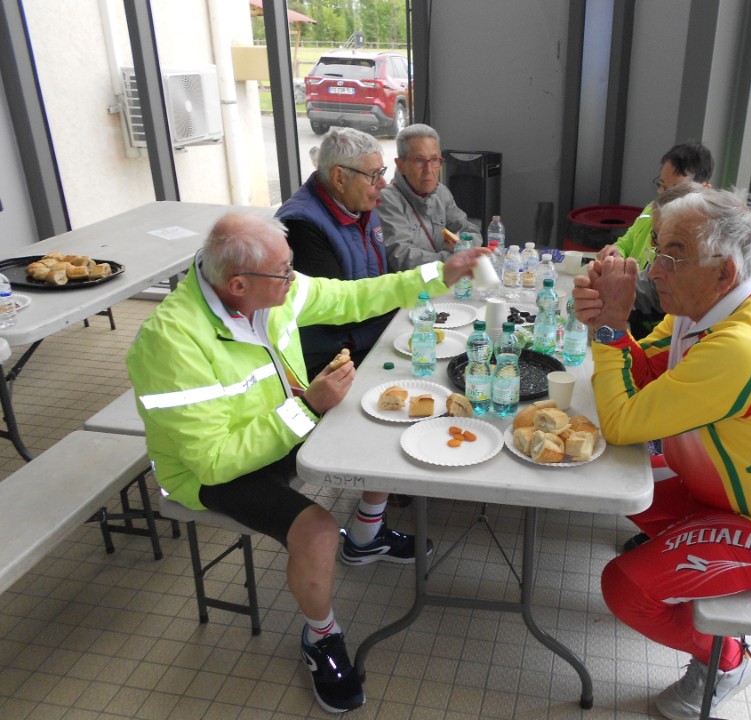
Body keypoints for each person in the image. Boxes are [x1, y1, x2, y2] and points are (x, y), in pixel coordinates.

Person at [127, 212, 486, 714]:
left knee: (380, 426)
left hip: (281, 424)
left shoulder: (270, 289)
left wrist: (440, 274)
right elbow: (213, 461)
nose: (294, 278)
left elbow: (354, 296)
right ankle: (321, 637)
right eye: (284, 271)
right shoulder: (170, 342)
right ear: (238, 284)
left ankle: (366, 537)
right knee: (316, 530)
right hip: (207, 471)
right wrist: (307, 409)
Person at [572, 189, 751, 720]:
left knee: (624, 587)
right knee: (616, 482)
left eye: (672, 256)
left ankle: (727, 661)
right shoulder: (707, 306)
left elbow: (621, 422)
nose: (653, 271)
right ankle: (688, 573)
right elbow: (646, 372)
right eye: (658, 249)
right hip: (731, 495)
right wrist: (604, 325)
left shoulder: (740, 346)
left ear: (724, 271)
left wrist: (611, 327)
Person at [596, 142, 751, 339]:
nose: (654, 268)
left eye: (661, 241)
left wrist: (610, 323)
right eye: (662, 186)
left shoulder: (738, 325)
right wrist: (602, 290)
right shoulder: (668, 226)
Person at [276, 127, 395, 380]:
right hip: (332, 360)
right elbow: (335, 313)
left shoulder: (361, 206)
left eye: (382, 172)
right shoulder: (301, 226)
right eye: (373, 175)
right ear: (339, 178)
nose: (383, 183)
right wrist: (403, 297)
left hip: (369, 335)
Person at [377, 123, 482, 270]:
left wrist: (462, 245)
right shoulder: (386, 200)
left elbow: (470, 230)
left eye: (434, 160)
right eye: (419, 160)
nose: (429, 170)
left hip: (446, 279)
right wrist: (453, 260)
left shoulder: (441, 192)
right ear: (400, 165)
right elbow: (402, 257)